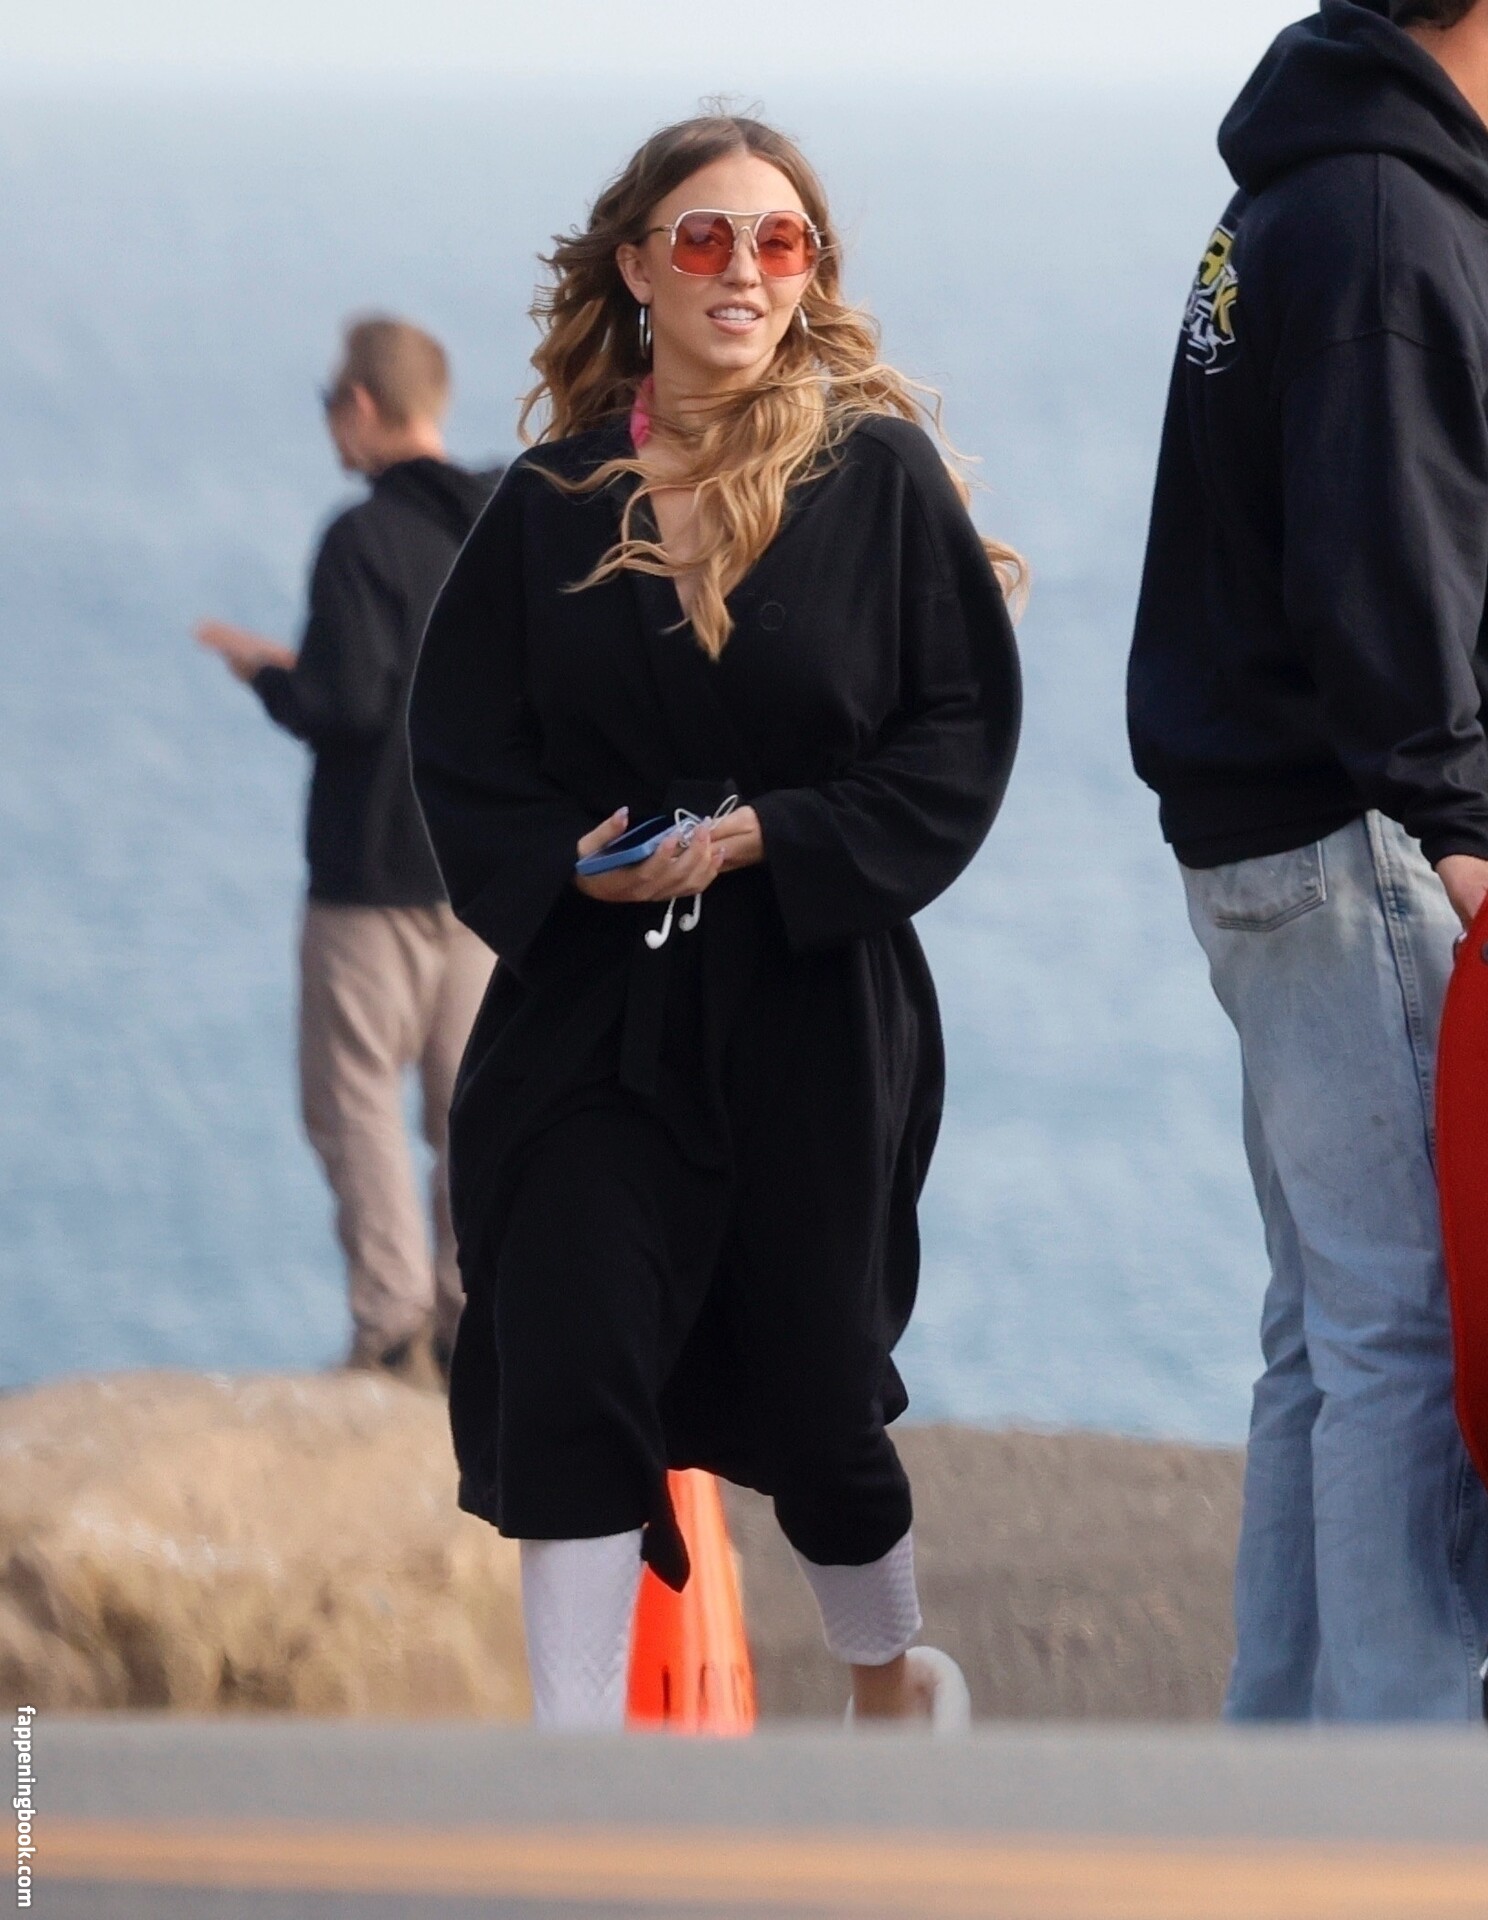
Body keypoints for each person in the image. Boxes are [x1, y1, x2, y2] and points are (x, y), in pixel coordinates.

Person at [408, 115, 1023, 1730]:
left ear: (808, 275)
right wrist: (565, 868)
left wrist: (772, 837)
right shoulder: (549, 501)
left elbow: (958, 731)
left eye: (777, 241)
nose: (741, 269)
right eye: (702, 237)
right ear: (637, 266)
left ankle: (887, 1685)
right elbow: (459, 745)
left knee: (819, 1395)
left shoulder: (873, 479)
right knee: (567, 1351)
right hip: (590, 1014)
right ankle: (572, 1764)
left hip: (811, 1001)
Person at [1128, 0, 1488, 1722]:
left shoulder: (1326, 181)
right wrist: (1464, 836)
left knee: (1324, 1326)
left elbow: (1462, 513)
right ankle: (1397, 1796)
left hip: (1281, 837)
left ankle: (1283, 1762)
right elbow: (1371, 568)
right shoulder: (1385, 212)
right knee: (1405, 1322)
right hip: (1358, 847)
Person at [197, 317, 496, 1389]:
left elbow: (347, 705)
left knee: (355, 1099)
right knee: (471, 1108)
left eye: (333, 401)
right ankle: (471, 1321)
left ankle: (390, 1327)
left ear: (363, 405)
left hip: (369, 877)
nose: (331, 422)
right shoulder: (498, 524)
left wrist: (268, 677)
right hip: (480, 875)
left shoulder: (360, 538)